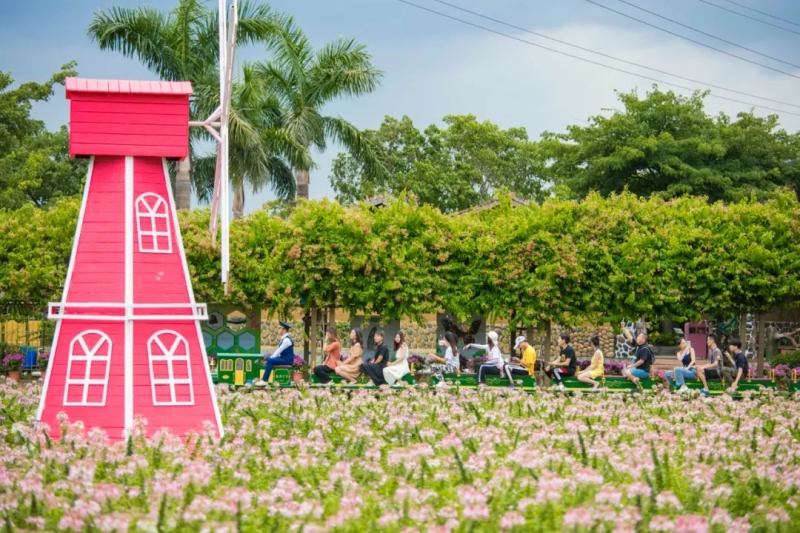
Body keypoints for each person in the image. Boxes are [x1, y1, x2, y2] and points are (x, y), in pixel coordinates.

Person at [255, 321, 295, 387]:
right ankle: (264, 379)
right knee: (269, 359)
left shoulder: (286, 340)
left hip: (287, 360)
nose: (278, 330)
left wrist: (271, 359)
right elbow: (279, 353)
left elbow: (278, 351)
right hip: (283, 358)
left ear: (284, 330)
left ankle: (264, 380)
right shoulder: (284, 338)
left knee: (270, 360)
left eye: (280, 328)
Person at [620, 321, 654, 390]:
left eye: (639, 336)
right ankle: (636, 381)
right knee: (623, 371)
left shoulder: (645, 348)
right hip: (638, 369)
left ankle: (638, 384)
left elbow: (641, 361)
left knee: (627, 372)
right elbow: (629, 336)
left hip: (643, 371)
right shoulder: (638, 345)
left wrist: (631, 366)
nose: (637, 337)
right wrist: (623, 327)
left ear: (643, 339)